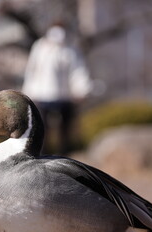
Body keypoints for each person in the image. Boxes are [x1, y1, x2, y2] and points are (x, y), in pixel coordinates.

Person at [22, 23, 92, 154]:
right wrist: (29, 91)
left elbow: (78, 72)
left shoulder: (71, 49)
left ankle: (63, 156)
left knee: (64, 131)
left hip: (65, 96)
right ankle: (42, 155)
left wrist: (81, 90)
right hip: (42, 95)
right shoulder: (40, 47)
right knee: (42, 129)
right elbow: (32, 70)